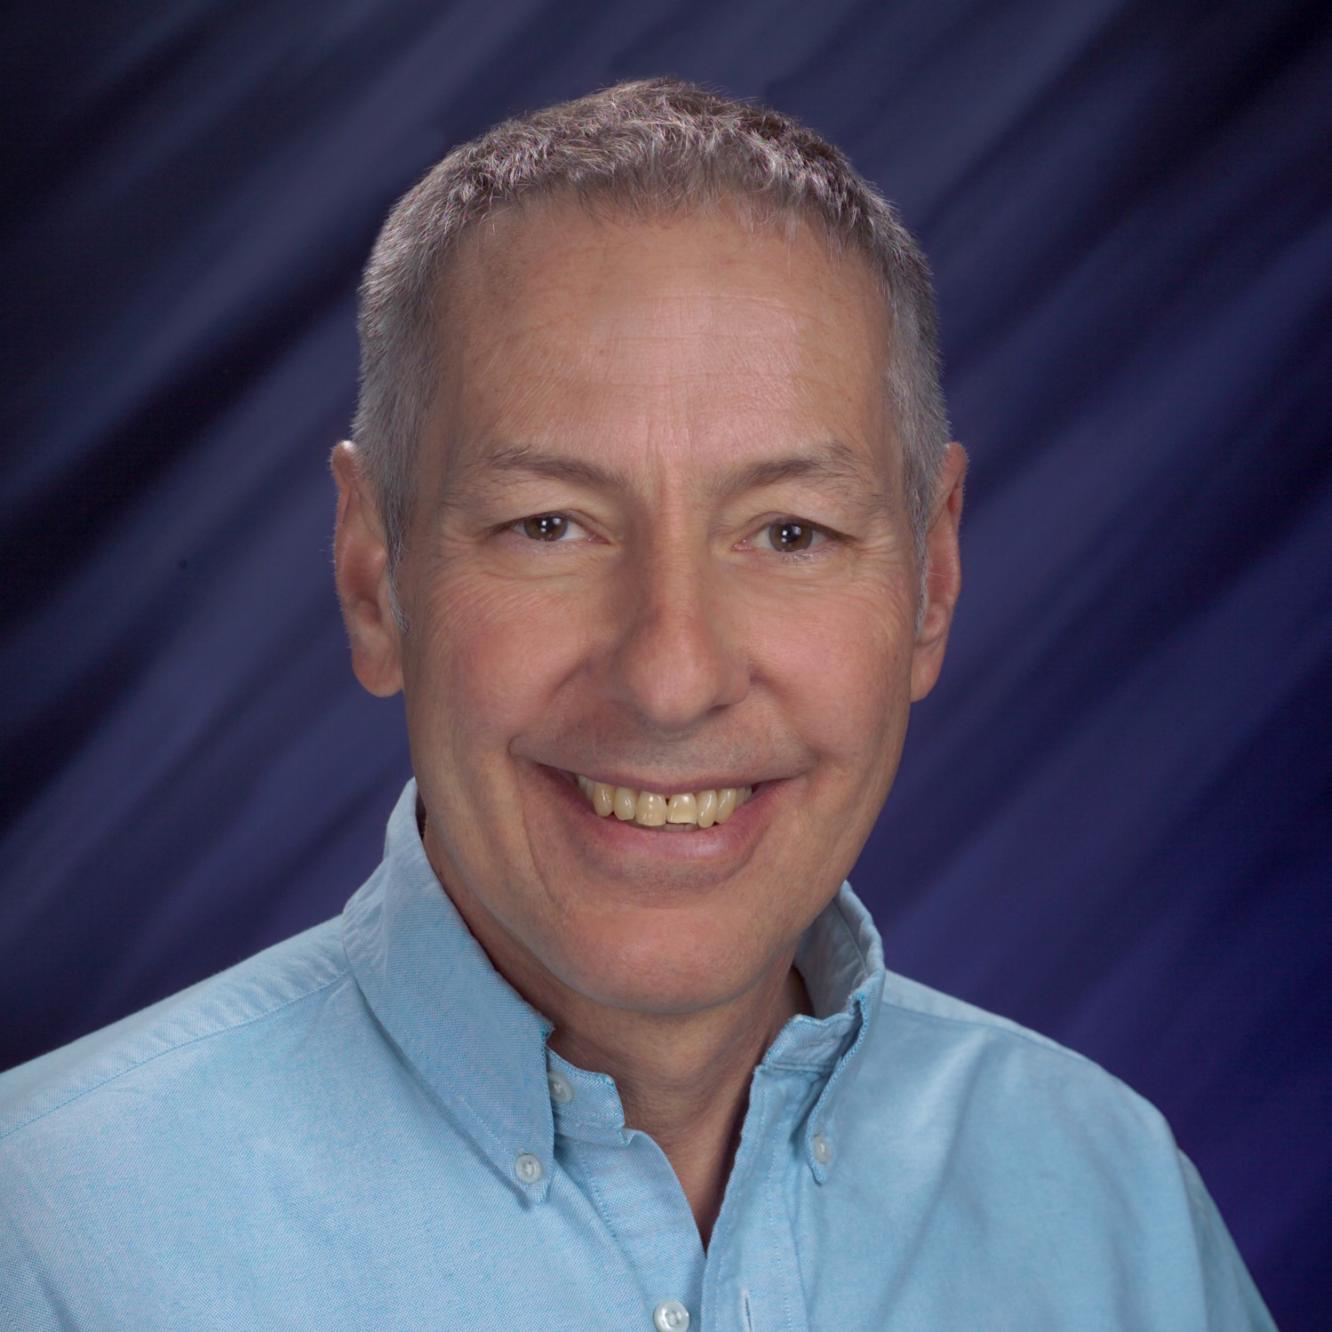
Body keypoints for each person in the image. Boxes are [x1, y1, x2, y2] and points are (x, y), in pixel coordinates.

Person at [0, 77, 1274, 1330]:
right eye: (549, 525)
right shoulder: (47, 1238)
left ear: (933, 582)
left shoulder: (1119, 1215)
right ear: (373, 574)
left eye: (789, 532)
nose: (671, 676)